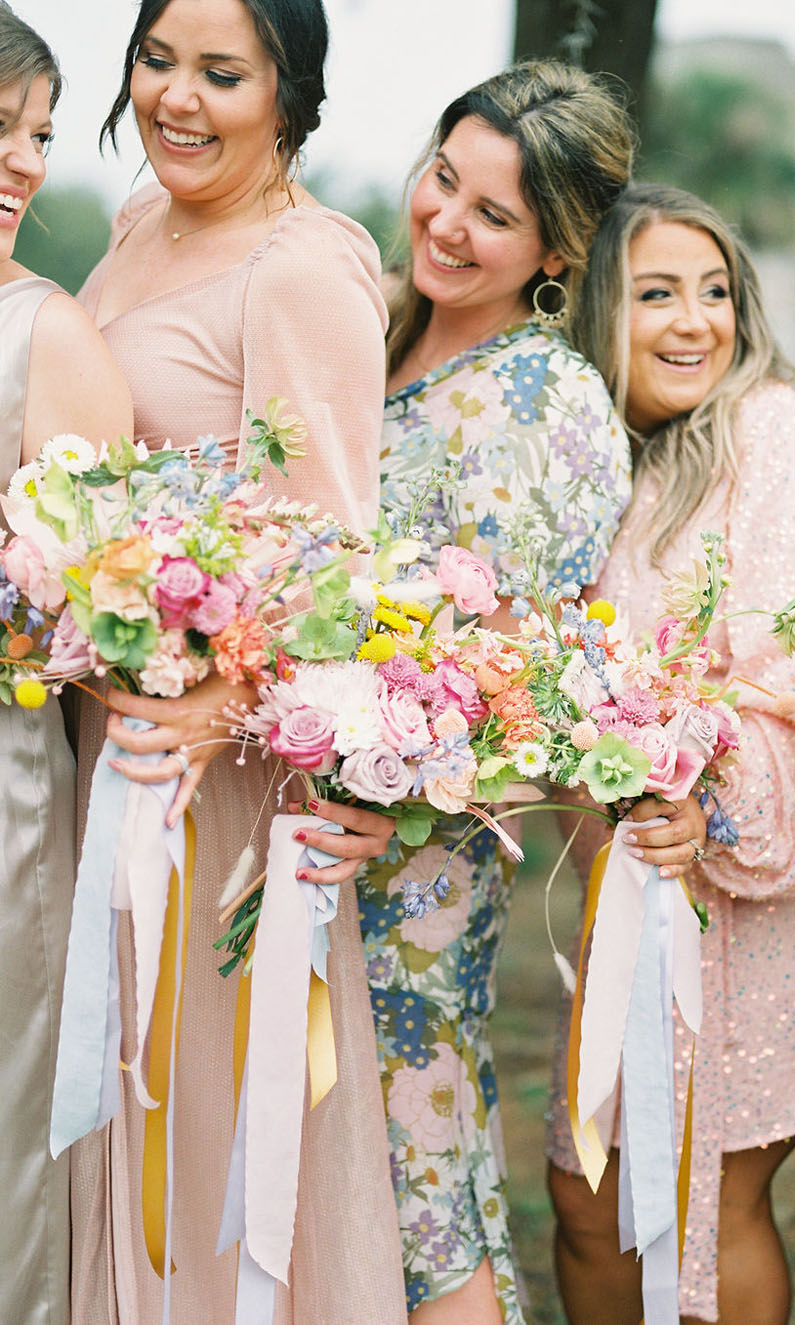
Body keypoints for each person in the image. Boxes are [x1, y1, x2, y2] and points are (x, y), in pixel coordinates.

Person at [68, 1, 407, 1319]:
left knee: (206, 1127)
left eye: (222, 73)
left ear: (290, 92)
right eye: (157, 62)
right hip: (111, 733)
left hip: (216, 775)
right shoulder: (136, 224)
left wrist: (216, 710)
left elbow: (331, 553)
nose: (177, 100)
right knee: (115, 1096)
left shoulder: (303, 266)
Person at [543, 184, 795, 1325]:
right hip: (654, 895)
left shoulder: (781, 440)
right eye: (656, 293)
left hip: (783, 889)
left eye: (715, 292)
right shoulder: (625, 462)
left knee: (696, 1192)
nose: (693, 320)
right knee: (591, 1192)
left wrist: (702, 800)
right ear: (597, 306)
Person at [304, 61, 635, 1322]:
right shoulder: (376, 327)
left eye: (493, 215)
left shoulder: (546, 402)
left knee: (420, 1170)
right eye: (444, 178)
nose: (446, 222)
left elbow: (537, 686)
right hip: (309, 812)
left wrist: (417, 800)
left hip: (421, 852)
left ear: (557, 244)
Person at [0, 6, 132, 1321]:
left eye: (39, 133)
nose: (26, 161)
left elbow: (104, 621)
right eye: (0, 126)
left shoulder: (51, 341)